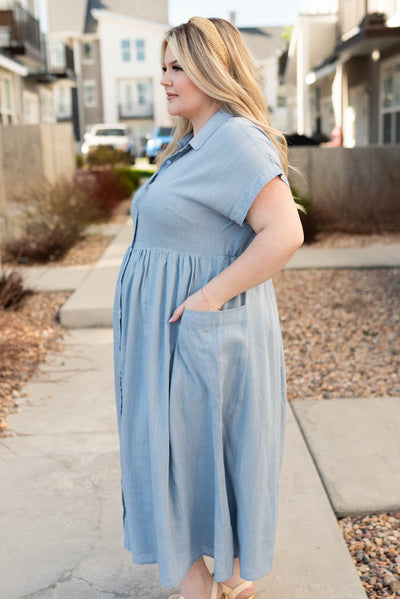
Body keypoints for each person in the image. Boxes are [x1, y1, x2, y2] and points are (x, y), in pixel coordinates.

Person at [113, 16, 304, 599]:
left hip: (197, 328)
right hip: (171, 332)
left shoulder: (235, 138)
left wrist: (207, 298)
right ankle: (223, 578)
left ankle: (208, 582)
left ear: (213, 69)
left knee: (190, 453)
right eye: (163, 66)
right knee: (183, 452)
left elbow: (285, 231)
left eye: (178, 67)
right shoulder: (194, 141)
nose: (165, 80)